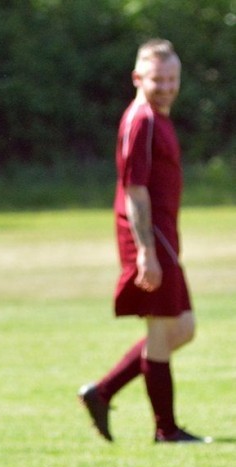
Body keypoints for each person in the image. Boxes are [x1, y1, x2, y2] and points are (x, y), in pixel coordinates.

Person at [79, 39, 210, 444]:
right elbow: (135, 190)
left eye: (172, 78)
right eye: (158, 79)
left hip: (163, 235)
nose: (167, 86)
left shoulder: (158, 116)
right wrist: (146, 252)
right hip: (149, 237)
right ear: (138, 78)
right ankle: (166, 429)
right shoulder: (142, 121)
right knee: (161, 329)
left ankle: (102, 392)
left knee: (181, 328)